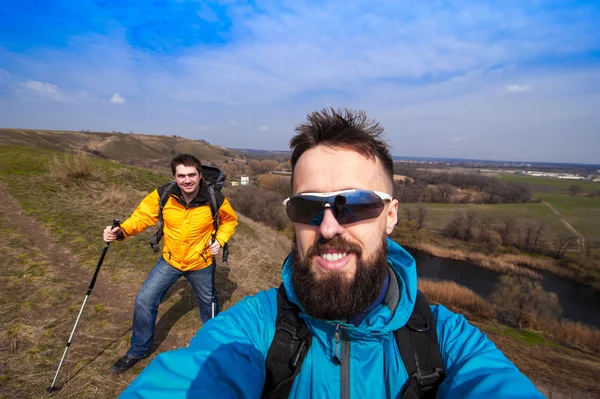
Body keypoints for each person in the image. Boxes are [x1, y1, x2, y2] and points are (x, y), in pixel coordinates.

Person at [118, 109, 543, 398]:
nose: (328, 227)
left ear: (391, 215)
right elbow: (199, 374)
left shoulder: (445, 342)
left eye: (354, 204)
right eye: (307, 206)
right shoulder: (255, 330)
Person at [102, 153, 238, 374]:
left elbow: (229, 220)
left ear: (200, 175)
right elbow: (142, 217)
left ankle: (217, 350)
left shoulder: (215, 198)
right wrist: (121, 231)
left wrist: (220, 241)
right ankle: (138, 350)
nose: (187, 180)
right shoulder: (164, 194)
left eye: (192, 175)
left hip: (201, 262)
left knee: (209, 305)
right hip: (171, 260)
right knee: (144, 300)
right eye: (181, 175)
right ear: (175, 177)